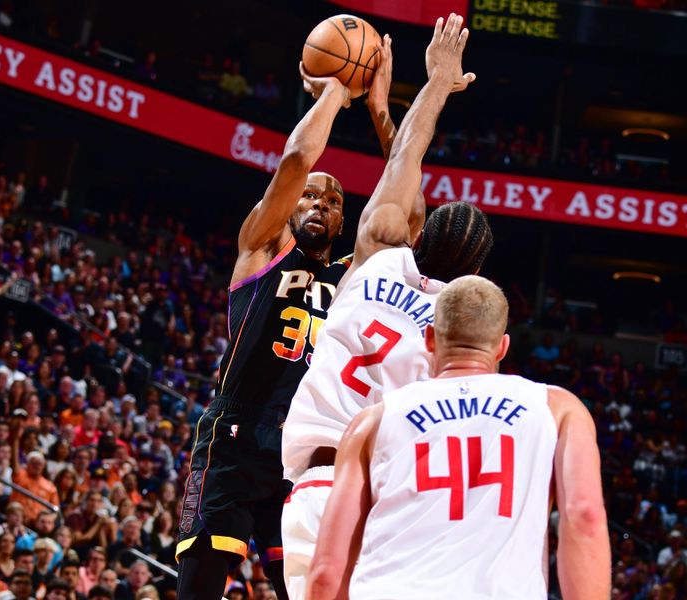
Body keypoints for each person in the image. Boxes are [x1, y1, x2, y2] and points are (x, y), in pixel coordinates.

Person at [176, 36, 403, 600]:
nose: (318, 205)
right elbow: (298, 161)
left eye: (331, 201)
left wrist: (380, 112)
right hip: (234, 434)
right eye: (309, 198)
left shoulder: (357, 277)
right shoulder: (264, 248)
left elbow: (407, 215)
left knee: (311, 591)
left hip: (301, 451)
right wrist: (333, 92)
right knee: (200, 585)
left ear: (345, 217)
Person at [281, 15, 485, 598]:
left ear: (414, 236)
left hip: (320, 485)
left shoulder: (376, 260)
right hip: (393, 502)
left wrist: (435, 85)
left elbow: (404, 163)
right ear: (473, 279)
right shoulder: (458, 330)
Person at [308, 275, 612, 599]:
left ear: (429, 339)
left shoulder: (372, 422)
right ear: (502, 347)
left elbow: (328, 572)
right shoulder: (557, 408)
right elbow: (584, 516)